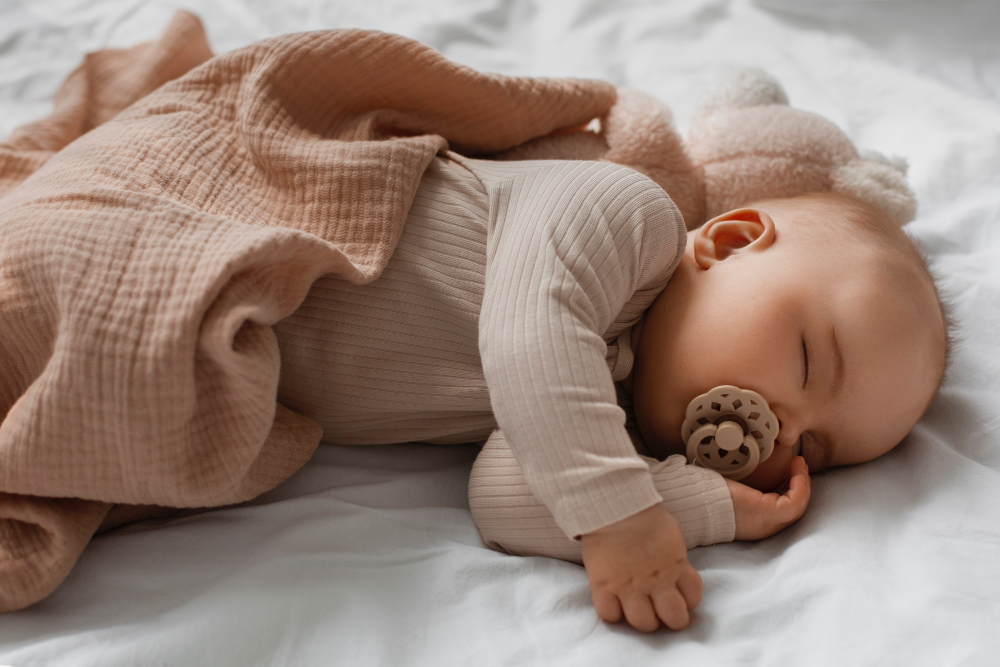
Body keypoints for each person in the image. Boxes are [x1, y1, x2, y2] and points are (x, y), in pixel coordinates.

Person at [272, 152, 949, 634]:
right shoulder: (625, 216)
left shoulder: (600, 421)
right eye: (805, 361)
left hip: (243, 357)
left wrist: (705, 507)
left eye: (817, 447)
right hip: (272, 237)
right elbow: (529, 337)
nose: (782, 425)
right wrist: (623, 520)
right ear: (731, 240)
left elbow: (504, 497)